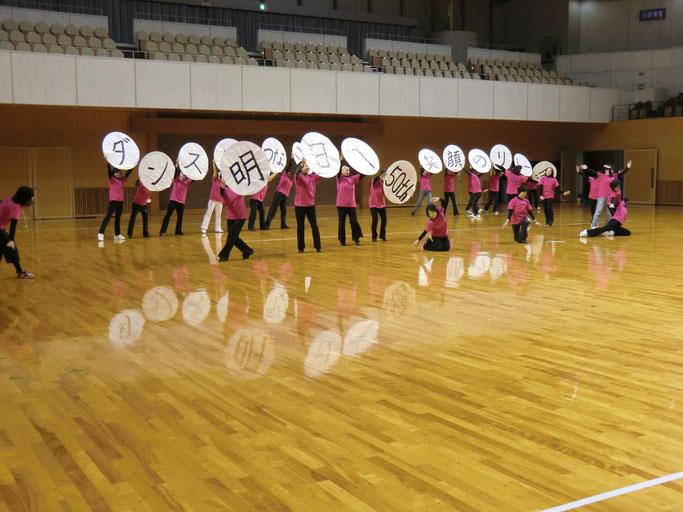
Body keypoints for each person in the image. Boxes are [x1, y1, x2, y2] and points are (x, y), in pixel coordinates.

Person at [578, 161, 631, 228]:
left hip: (610, 197)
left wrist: (627, 168)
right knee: (598, 211)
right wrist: (587, 168)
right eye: (611, 169)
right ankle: (594, 225)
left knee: (609, 213)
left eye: (612, 169)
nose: (612, 171)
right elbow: (593, 172)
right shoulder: (601, 175)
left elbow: (622, 174)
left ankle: (606, 226)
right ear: (606, 170)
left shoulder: (615, 176)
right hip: (602, 196)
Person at [0, 186, 34, 279]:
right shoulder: (16, 207)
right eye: (31, 197)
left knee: (2, 249)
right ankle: (20, 272)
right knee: (12, 249)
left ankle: (20, 271)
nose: (32, 199)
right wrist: (11, 240)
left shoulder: (11, 198)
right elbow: (13, 225)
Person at [218, 183, 253, 262]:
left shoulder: (239, 188)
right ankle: (247, 250)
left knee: (231, 237)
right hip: (230, 217)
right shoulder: (224, 190)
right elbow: (222, 188)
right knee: (234, 237)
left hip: (240, 217)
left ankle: (224, 255)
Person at [98, 163, 133, 241]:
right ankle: (101, 233)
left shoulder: (122, 180)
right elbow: (109, 171)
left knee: (118, 218)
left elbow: (128, 173)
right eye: (117, 172)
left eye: (119, 173)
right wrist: (108, 164)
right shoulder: (111, 179)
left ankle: (117, 234)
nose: (119, 174)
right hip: (113, 201)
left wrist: (132, 166)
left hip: (120, 201)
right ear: (113, 173)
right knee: (108, 217)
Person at [294, 159, 322, 254]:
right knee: (300, 227)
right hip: (299, 206)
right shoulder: (300, 177)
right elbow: (296, 174)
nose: (307, 167)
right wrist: (300, 165)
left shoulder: (313, 177)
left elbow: (323, 173)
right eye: (305, 166)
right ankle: (301, 248)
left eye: (308, 166)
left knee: (314, 226)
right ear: (302, 168)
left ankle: (318, 247)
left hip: (311, 205)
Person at [160, 164, 191, 236]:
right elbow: (175, 172)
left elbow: (194, 178)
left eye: (183, 175)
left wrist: (201, 173)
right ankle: (162, 231)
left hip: (181, 202)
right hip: (173, 200)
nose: (182, 175)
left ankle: (178, 231)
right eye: (181, 174)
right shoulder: (176, 180)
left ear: (184, 177)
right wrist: (176, 165)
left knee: (180, 217)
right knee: (168, 215)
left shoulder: (186, 183)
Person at [336, 163, 364, 246]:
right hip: (341, 204)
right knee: (342, 222)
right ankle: (342, 240)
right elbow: (337, 171)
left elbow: (363, 174)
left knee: (354, 221)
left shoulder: (353, 178)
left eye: (348, 169)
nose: (347, 170)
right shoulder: (339, 178)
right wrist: (340, 161)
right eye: (345, 169)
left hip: (351, 204)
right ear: (341, 171)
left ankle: (356, 238)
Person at [264, 158, 295, 229]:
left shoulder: (291, 180)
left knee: (284, 210)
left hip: (285, 196)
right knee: (274, 208)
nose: (289, 173)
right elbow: (288, 167)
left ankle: (283, 224)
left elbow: (297, 174)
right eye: (288, 172)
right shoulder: (284, 176)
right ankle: (267, 222)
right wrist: (291, 159)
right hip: (279, 193)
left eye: (290, 173)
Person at [200, 162, 224, 234]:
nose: (219, 175)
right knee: (209, 213)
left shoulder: (223, 183)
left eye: (221, 175)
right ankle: (204, 228)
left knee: (218, 215)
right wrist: (214, 164)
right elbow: (215, 172)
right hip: (213, 200)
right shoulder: (215, 180)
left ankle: (218, 228)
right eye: (219, 174)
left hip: (220, 201)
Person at [369, 170, 388, 242]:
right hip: (373, 204)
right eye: (384, 176)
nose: (385, 177)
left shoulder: (386, 184)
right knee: (375, 220)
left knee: (384, 219)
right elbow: (376, 179)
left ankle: (382, 235)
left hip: (382, 204)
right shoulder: (375, 181)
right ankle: (374, 236)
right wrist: (380, 176)